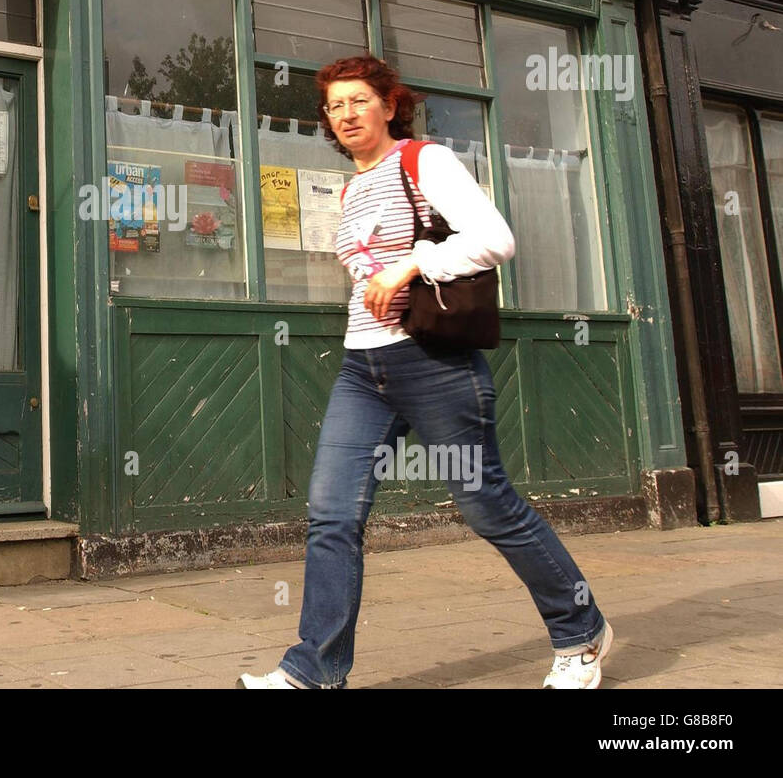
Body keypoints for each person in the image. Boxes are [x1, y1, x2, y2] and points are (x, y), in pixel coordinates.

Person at [238, 54, 613, 690]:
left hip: (434, 363)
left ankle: (581, 633)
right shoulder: (354, 189)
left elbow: (496, 239)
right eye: (335, 106)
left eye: (359, 100)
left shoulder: (423, 161)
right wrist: (378, 281)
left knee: (486, 504)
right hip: (364, 367)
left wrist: (410, 267)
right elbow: (366, 275)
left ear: (389, 104)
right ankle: (314, 671)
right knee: (332, 515)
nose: (347, 114)